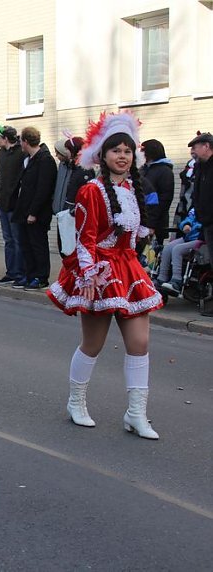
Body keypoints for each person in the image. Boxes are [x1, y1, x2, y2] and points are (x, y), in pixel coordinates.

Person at [47, 110, 163, 439]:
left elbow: (134, 235)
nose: (122, 156)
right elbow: (86, 239)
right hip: (98, 272)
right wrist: (88, 276)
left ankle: (136, 414)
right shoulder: (91, 191)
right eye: (116, 151)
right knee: (93, 344)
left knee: (140, 343)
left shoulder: (134, 190)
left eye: (127, 151)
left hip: (129, 269)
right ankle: (76, 402)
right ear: (103, 156)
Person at [13, 126, 57, 290]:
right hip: (24, 211)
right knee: (26, 245)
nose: (21, 145)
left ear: (25, 142)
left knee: (38, 245)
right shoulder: (30, 159)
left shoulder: (45, 160)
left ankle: (41, 277)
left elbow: (43, 189)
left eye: (21, 141)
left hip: (37, 214)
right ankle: (30, 275)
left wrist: (33, 212)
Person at [0, 125, 26, 285]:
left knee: (18, 239)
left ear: (5, 138)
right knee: (8, 239)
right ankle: (11, 272)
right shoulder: (1, 153)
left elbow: (23, 178)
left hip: (16, 204)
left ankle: (20, 273)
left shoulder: (20, 153)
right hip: (3, 202)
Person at [53, 135, 95, 256]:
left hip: (75, 215)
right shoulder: (74, 167)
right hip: (67, 213)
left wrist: (73, 210)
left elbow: (85, 194)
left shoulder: (84, 170)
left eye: (67, 149)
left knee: (72, 250)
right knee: (65, 248)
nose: (65, 152)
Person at [158, 208, 203, 294]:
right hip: (189, 237)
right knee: (167, 248)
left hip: (201, 239)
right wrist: (186, 224)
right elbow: (188, 218)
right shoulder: (196, 207)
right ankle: (161, 279)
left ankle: (176, 281)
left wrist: (197, 227)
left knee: (177, 249)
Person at [140, 139, 174, 244]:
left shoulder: (165, 171)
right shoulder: (143, 169)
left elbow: (165, 199)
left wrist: (151, 224)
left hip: (156, 222)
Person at [189, 131, 213, 271]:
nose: (193, 152)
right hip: (207, 222)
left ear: (206, 146)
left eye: (195, 147)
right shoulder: (199, 167)